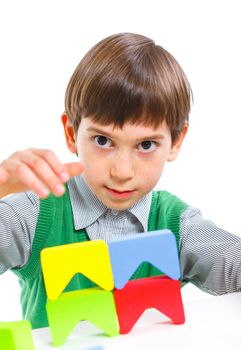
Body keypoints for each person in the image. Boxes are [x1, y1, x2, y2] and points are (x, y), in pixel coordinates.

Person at [0, 33, 240, 329]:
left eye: (146, 145)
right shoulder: (34, 216)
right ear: (72, 133)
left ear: (176, 141)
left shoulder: (179, 225)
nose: (123, 171)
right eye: (103, 140)